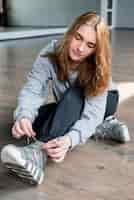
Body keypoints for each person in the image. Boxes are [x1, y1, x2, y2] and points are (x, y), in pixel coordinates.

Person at [1, 11, 130, 185]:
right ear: (72, 31)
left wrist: (70, 140)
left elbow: (92, 113)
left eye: (90, 45)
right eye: (78, 37)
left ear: (96, 49)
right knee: (37, 118)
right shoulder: (51, 52)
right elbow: (33, 89)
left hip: (105, 101)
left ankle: (38, 153)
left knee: (76, 93)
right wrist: (24, 115)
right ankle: (99, 127)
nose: (80, 48)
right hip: (69, 104)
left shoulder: (98, 68)